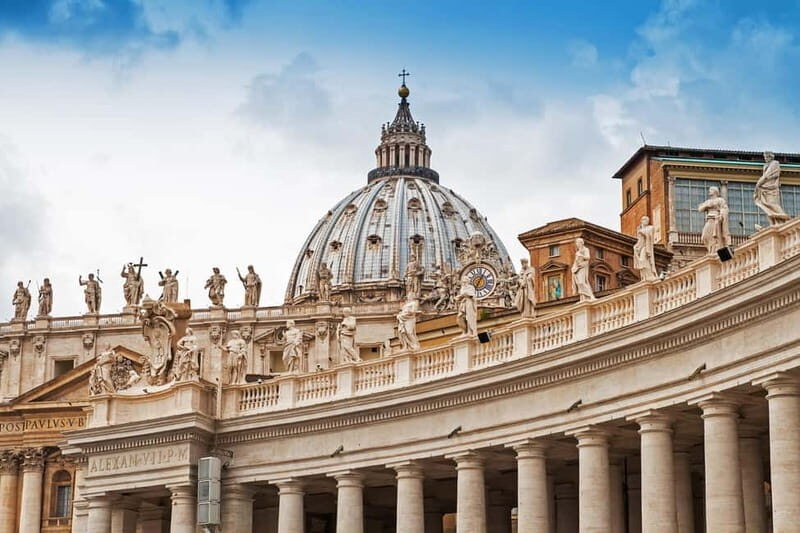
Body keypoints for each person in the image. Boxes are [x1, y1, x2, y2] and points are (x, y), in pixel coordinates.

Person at [754, 151, 791, 226]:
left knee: (773, 204)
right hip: (765, 187)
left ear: (771, 157)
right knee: (767, 206)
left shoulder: (775, 163)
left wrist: (760, 182)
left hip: (772, 187)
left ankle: (784, 220)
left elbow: (769, 175)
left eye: (767, 157)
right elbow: (765, 176)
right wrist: (760, 183)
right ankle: (773, 223)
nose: (766, 159)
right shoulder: (765, 166)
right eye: (765, 157)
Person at [698, 186, 731, 254]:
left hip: (716, 220)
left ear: (715, 191)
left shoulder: (720, 200)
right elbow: (700, 209)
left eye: (711, 190)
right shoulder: (708, 201)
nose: (709, 191)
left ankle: (714, 251)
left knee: (715, 237)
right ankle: (711, 250)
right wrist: (707, 206)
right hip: (709, 220)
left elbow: (724, 209)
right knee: (704, 237)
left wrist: (721, 216)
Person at [633, 216, 658, 281]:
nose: (646, 221)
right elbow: (640, 241)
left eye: (647, 220)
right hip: (641, 247)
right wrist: (636, 247)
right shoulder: (639, 229)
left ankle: (649, 275)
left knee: (643, 260)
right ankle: (644, 277)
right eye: (645, 219)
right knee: (641, 261)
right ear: (641, 221)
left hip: (647, 247)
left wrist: (644, 233)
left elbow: (650, 237)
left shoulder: (650, 228)